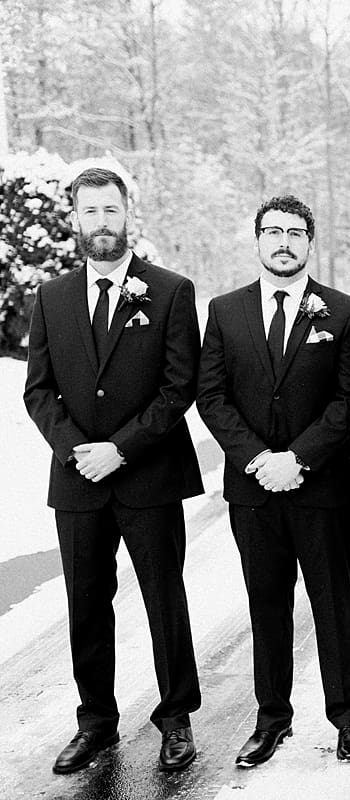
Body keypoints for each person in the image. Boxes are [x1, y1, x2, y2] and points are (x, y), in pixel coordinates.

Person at [24, 167, 203, 774]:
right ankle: (96, 721)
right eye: (90, 212)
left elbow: (180, 387)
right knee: (86, 604)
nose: (102, 222)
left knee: (163, 598)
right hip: (77, 480)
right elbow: (39, 391)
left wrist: (120, 449)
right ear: (75, 218)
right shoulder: (49, 298)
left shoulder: (172, 292)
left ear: (130, 214)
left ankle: (176, 719)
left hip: (148, 475)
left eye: (111, 210)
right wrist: (78, 450)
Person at [196, 195, 350, 768]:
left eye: (296, 232)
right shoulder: (225, 310)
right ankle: (271, 718)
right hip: (253, 489)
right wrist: (257, 459)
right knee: (266, 604)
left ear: (310, 242)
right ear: (258, 240)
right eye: (273, 231)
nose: (284, 241)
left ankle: (348, 717)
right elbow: (211, 395)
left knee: (332, 604)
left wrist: (297, 458)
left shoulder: (343, 312)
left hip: (322, 486)